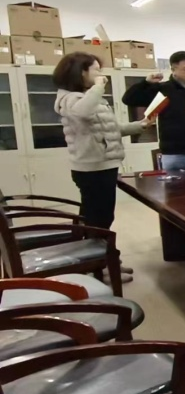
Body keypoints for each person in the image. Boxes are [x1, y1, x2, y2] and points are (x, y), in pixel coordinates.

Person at [54, 51, 154, 282]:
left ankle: (108, 260)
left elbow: (111, 129)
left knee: (101, 219)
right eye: (96, 70)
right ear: (81, 72)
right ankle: (100, 267)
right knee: (98, 221)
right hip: (92, 168)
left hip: (104, 165)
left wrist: (140, 125)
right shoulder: (70, 99)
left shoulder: (89, 97)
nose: (101, 75)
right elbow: (83, 112)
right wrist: (98, 87)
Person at [121, 51, 185, 171]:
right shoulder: (162, 89)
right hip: (174, 154)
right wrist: (146, 82)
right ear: (174, 69)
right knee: (174, 183)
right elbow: (128, 99)